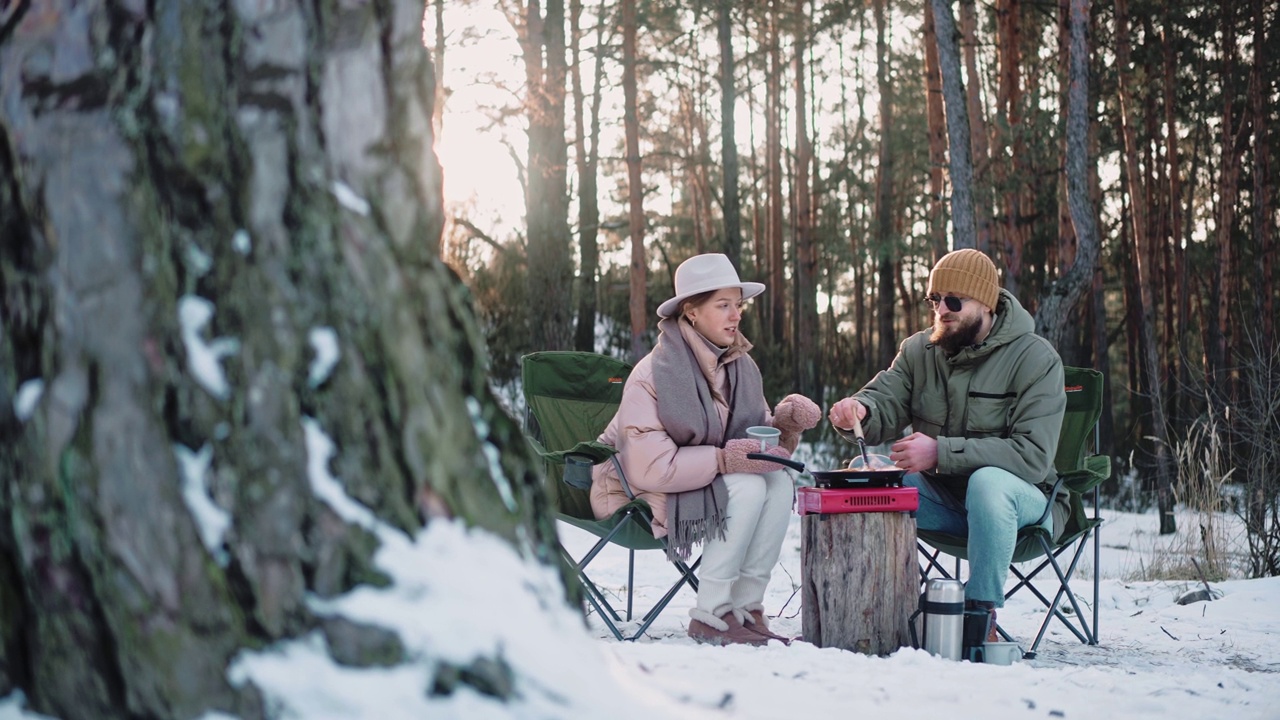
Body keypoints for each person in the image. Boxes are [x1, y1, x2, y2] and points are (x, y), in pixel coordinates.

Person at [827, 248, 1066, 640]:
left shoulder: (1035, 359)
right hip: (947, 504)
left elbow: (1033, 458)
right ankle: (875, 607)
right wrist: (860, 410)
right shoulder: (919, 350)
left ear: (986, 304)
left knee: (988, 483)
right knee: (866, 477)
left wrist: (940, 452)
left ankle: (978, 618)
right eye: (935, 299)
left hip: (1023, 508)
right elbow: (885, 398)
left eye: (954, 300)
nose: (942, 309)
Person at [590, 253, 821, 646]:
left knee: (780, 484)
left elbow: (755, 441)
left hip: (694, 481)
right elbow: (651, 466)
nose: (736, 316)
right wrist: (722, 459)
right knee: (745, 488)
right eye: (723, 305)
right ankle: (711, 614)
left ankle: (746, 609)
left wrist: (784, 425)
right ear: (691, 313)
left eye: (739, 305)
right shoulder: (654, 373)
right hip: (632, 491)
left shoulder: (738, 366)